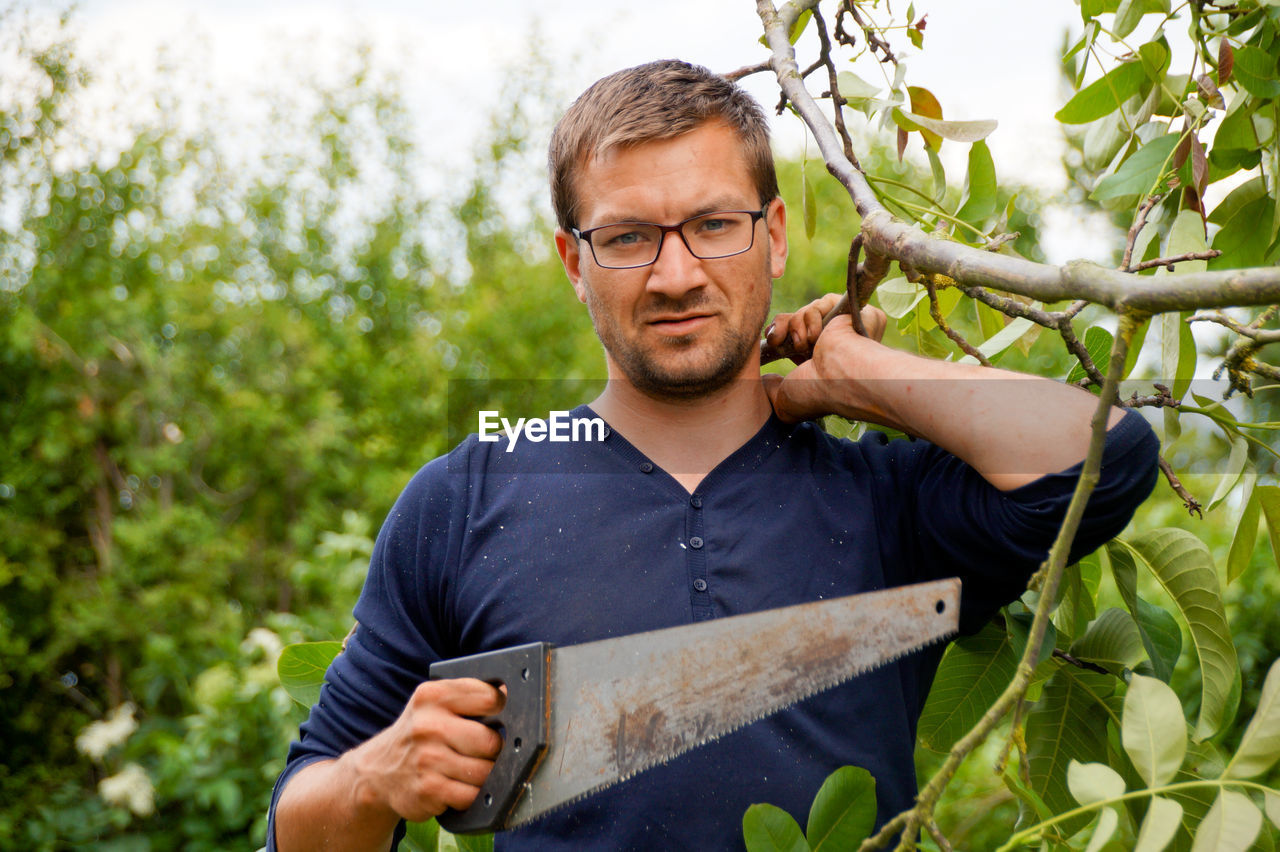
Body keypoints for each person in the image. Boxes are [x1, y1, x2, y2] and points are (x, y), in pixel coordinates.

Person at [268, 59, 1159, 851]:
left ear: (773, 235)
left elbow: (1110, 455)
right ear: (573, 264)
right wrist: (375, 779)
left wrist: (853, 372)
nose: (676, 274)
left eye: (713, 225)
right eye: (627, 238)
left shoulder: (887, 499)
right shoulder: (465, 500)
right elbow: (295, 826)